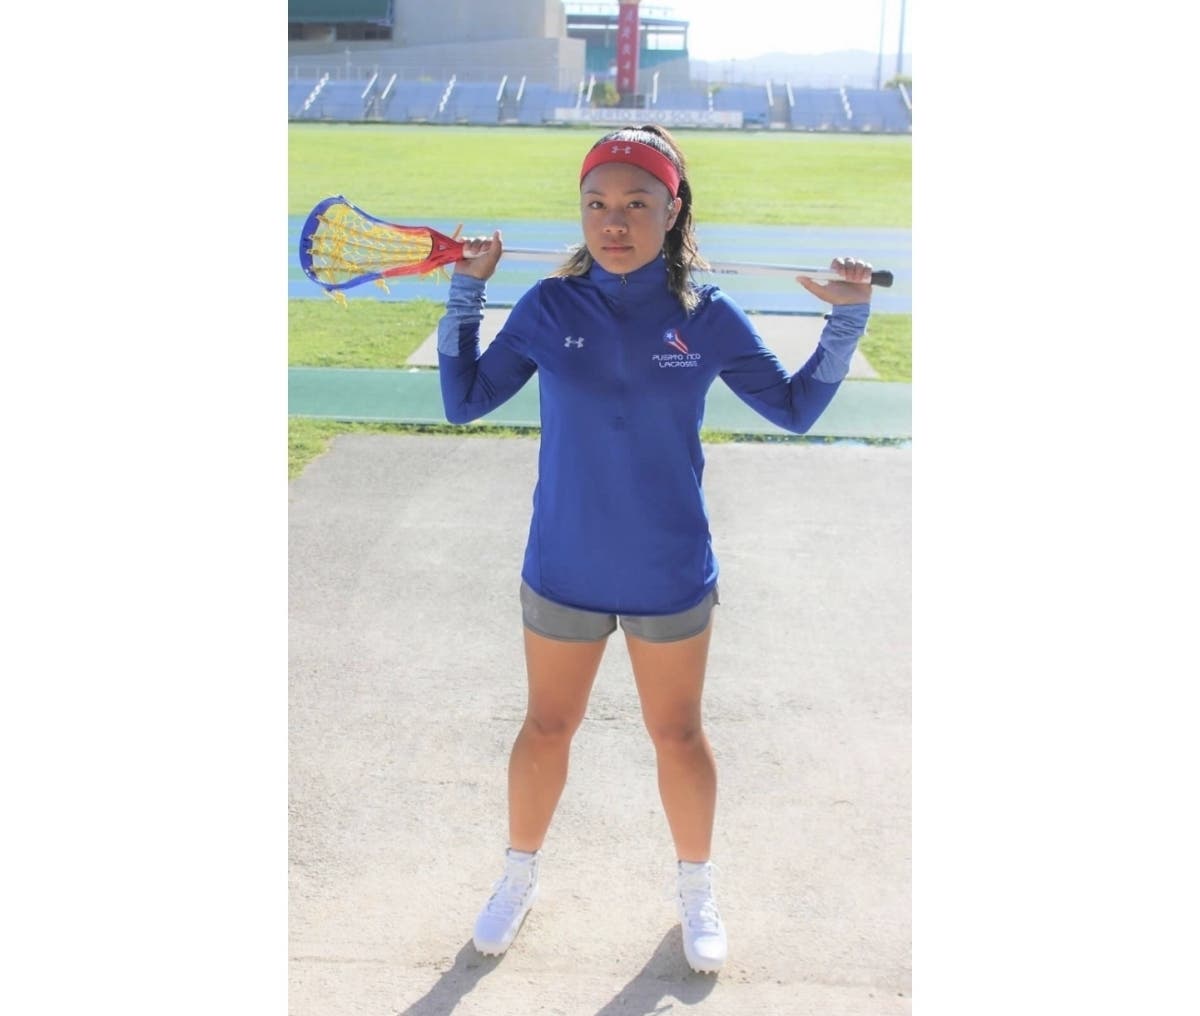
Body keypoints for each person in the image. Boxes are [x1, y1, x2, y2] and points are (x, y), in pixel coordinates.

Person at [435, 124, 874, 974]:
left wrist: (846, 320)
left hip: (667, 566)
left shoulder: (705, 318)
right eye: (597, 203)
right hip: (563, 560)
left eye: (638, 203)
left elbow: (793, 409)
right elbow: (464, 401)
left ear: (673, 212)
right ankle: (517, 876)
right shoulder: (550, 305)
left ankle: (696, 891)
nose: (615, 221)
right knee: (545, 727)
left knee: (677, 735)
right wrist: (466, 292)